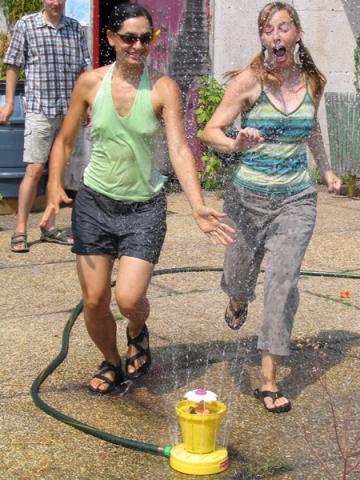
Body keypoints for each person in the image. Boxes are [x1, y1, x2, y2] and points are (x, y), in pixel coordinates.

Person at [40, 3, 235, 395]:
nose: (138, 46)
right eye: (129, 38)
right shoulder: (90, 83)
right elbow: (63, 140)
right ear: (111, 39)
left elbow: (180, 150)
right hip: (94, 205)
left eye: (147, 38)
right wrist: (53, 188)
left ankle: (137, 329)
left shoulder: (163, 87)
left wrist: (197, 204)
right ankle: (111, 361)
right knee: (95, 300)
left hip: (144, 208)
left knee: (129, 298)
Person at [203, 1, 341, 413]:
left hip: (296, 200)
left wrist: (327, 171)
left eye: (283, 28)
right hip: (246, 199)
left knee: (283, 283)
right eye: (267, 30)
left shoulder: (314, 81)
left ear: (297, 34)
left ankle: (268, 378)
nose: (275, 36)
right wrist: (235, 143)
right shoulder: (248, 82)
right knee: (240, 278)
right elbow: (209, 130)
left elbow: (312, 127)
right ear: (262, 38)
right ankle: (238, 299)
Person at [0, 0, 91, 253]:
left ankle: (49, 225)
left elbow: (84, 71)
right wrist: (8, 103)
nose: (56, 2)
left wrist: (88, 106)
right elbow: (13, 65)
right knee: (34, 168)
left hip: (69, 111)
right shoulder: (27, 25)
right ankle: (20, 229)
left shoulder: (74, 28)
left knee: (58, 170)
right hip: (40, 109)